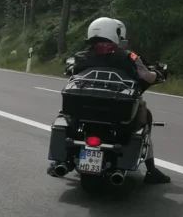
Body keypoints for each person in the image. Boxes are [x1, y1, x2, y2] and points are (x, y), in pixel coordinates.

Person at [67, 16, 171, 184]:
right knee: (144, 117)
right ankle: (151, 170)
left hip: (86, 107)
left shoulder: (81, 56)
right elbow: (146, 76)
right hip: (117, 108)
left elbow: (73, 73)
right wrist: (157, 73)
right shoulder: (129, 56)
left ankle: (65, 159)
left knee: (68, 117)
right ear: (115, 33)